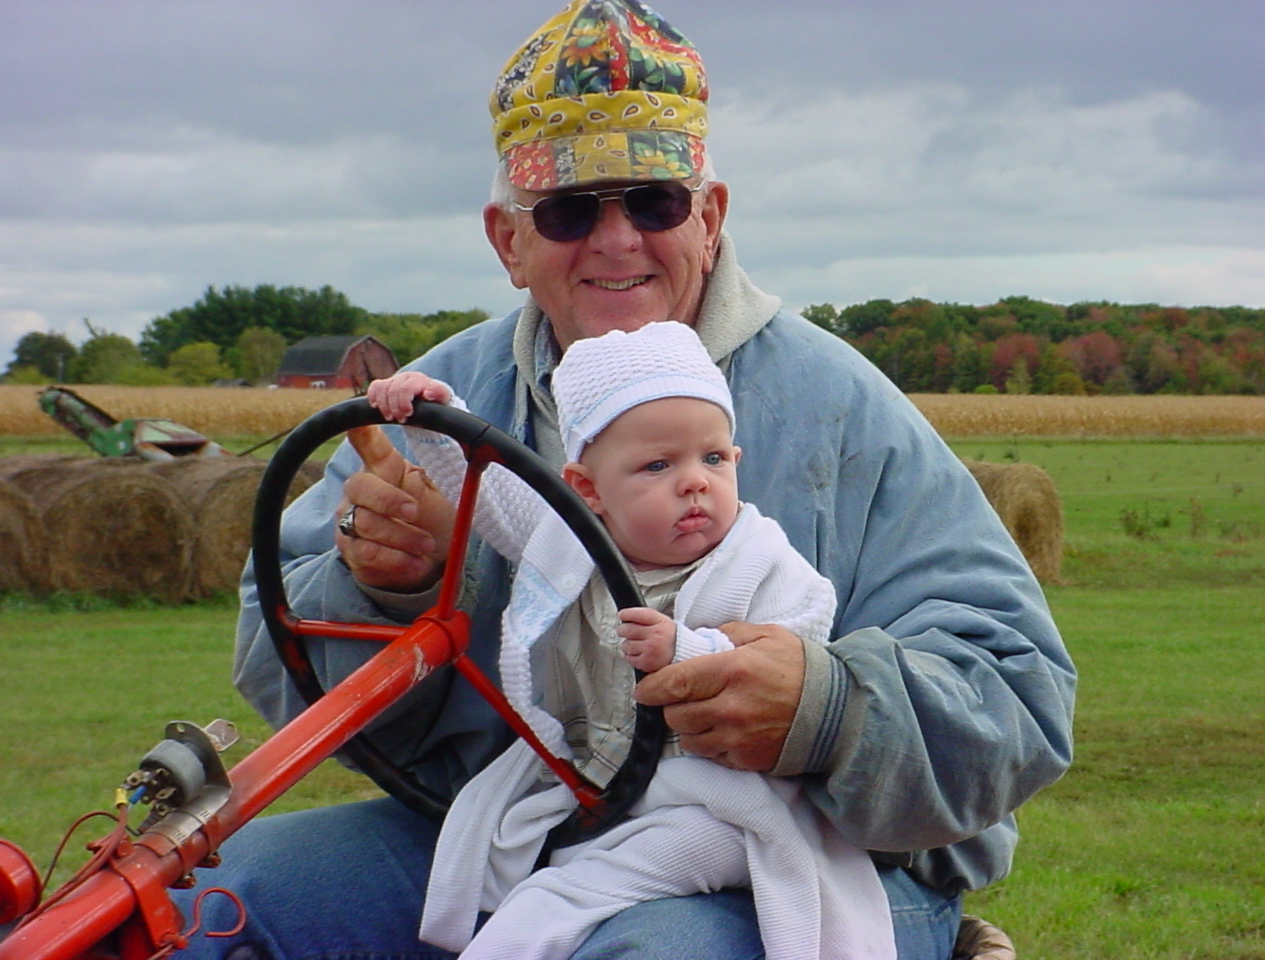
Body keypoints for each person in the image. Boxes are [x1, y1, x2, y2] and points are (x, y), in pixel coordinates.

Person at [176, 2, 1076, 958]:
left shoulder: (841, 411)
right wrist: (381, 585)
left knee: (649, 949)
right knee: (207, 902)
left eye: (653, 201)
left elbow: (1020, 698)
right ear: (506, 240)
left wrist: (824, 709)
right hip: (517, 829)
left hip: (808, 856)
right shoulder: (441, 404)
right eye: (567, 211)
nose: (615, 242)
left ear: (710, 214)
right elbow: (276, 655)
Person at [367, 321, 894, 959]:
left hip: (717, 804)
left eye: (714, 458)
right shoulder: (570, 540)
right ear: (588, 490)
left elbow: (792, 652)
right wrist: (431, 417)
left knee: (558, 897)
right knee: (482, 839)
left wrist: (691, 654)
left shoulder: (763, 561)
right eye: (657, 465)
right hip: (602, 781)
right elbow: (492, 494)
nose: (695, 481)